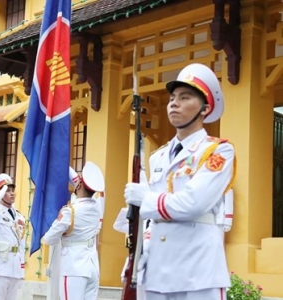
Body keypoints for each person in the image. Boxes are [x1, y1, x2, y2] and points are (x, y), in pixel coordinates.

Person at [124, 63, 236, 300]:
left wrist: (145, 198)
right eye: (172, 97)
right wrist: (135, 253)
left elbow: (193, 203)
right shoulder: (157, 157)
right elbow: (148, 220)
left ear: (204, 109)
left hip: (197, 270)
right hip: (156, 267)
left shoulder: (217, 152)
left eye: (185, 97)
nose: (174, 103)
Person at [43, 161, 105, 300]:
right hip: (92, 267)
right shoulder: (97, 207)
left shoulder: (69, 212)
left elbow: (49, 239)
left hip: (74, 267)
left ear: (80, 185)